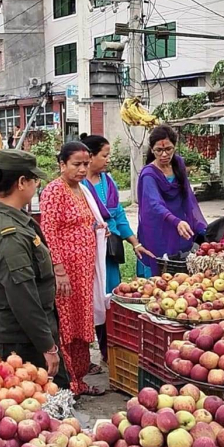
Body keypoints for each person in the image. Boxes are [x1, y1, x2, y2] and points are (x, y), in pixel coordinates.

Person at [0, 149, 70, 387]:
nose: (36, 185)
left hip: (27, 335)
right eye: (34, 180)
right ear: (22, 182)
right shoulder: (9, 234)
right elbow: (24, 298)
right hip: (20, 341)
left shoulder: (13, 219)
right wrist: (47, 346)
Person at [80, 135, 154, 373]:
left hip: (109, 253)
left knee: (109, 299)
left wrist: (134, 242)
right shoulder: (79, 186)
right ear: (89, 157)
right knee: (86, 302)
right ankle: (82, 356)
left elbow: (119, 216)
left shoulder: (108, 181)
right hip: (87, 253)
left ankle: (108, 350)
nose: (108, 159)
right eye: (105, 155)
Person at [40, 142, 108, 397]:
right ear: (62, 165)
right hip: (66, 272)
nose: (82, 169)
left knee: (81, 323)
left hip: (84, 271)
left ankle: (79, 377)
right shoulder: (53, 191)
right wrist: (59, 270)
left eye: (85, 164)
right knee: (67, 325)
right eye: (76, 164)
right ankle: (69, 382)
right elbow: (49, 232)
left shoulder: (82, 189)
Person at [137, 125, 207, 277]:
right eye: (158, 150)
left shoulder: (178, 164)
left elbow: (187, 195)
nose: (164, 154)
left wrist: (198, 223)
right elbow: (154, 204)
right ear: (151, 149)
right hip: (159, 227)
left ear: (175, 146)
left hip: (180, 224)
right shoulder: (149, 174)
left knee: (181, 270)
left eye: (168, 149)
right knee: (160, 269)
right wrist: (175, 221)